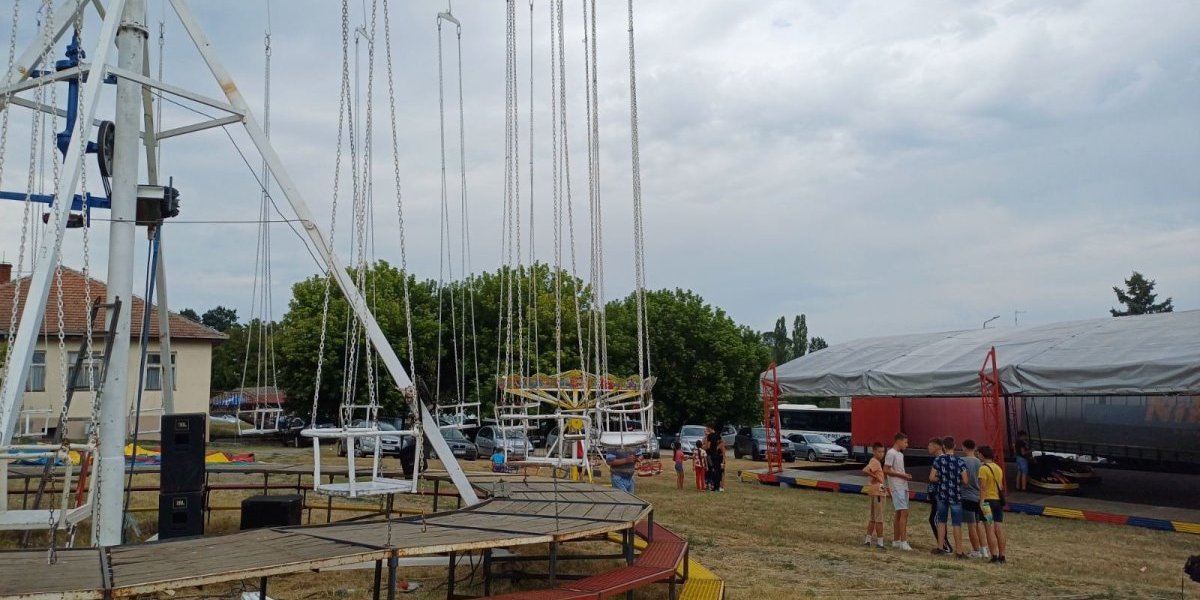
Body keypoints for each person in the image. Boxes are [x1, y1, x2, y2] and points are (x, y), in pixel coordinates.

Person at [930, 436, 969, 557]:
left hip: (942, 494)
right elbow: (966, 480)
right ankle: (959, 551)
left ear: (943, 447)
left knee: (941, 521)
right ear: (954, 446)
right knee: (956, 523)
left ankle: (940, 548)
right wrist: (956, 481)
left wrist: (941, 478)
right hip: (955, 495)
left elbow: (931, 477)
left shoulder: (938, 461)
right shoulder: (960, 461)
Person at [883, 432, 913, 550]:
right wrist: (902, 475)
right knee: (904, 512)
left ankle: (896, 540)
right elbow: (886, 469)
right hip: (897, 486)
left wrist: (903, 476)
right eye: (905, 442)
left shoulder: (900, 454)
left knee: (900, 513)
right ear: (898, 441)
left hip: (903, 485)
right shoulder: (891, 453)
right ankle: (903, 541)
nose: (907, 444)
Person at [959, 439, 989, 559]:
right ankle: (984, 549)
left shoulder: (961, 461)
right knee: (981, 524)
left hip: (967, 496)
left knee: (971, 525)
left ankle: (976, 550)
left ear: (964, 447)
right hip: (981, 497)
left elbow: (961, 478)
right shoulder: (980, 462)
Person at [978, 445, 1008, 564]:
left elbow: (983, 487)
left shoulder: (983, 469)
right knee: (999, 529)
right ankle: (1002, 556)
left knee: (989, 529)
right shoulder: (998, 468)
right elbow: (1000, 486)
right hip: (997, 502)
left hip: (987, 503)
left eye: (978, 454)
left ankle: (994, 555)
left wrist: (981, 502)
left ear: (982, 455)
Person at [926, 437, 950, 553]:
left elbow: (932, 477)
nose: (928, 448)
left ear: (937, 446)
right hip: (940, 493)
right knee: (938, 519)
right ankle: (944, 544)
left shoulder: (939, 460)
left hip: (939, 494)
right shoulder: (945, 459)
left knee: (935, 519)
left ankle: (945, 545)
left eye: (930, 445)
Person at [861, 442, 888, 549]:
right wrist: (876, 477)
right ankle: (880, 542)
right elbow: (865, 470)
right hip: (878, 492)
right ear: (874, 452)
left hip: (875, 491)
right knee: (879, 518)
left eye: (883, 452)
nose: (882, 454)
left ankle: (868, 540)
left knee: (873, 517)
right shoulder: (875, 462)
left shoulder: (874, 461)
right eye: (879, 452)